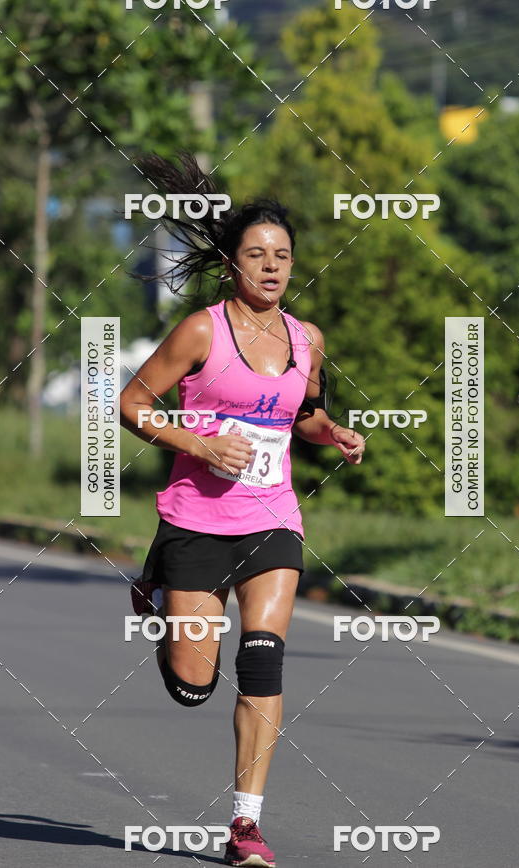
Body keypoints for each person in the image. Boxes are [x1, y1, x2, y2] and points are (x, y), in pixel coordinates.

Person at [119, 152, 366, 867]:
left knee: (263, 660)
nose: (271, 267)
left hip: (272, 516)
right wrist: (195, 442)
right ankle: (162, 582)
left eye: (282, 256)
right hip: (196, 518)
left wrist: (335, 433)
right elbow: (132, 403)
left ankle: (246, 826)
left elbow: (307, 418)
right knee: (194, 685)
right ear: (230, 262)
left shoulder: (306, 339)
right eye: (256, 254)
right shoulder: (201, 332)